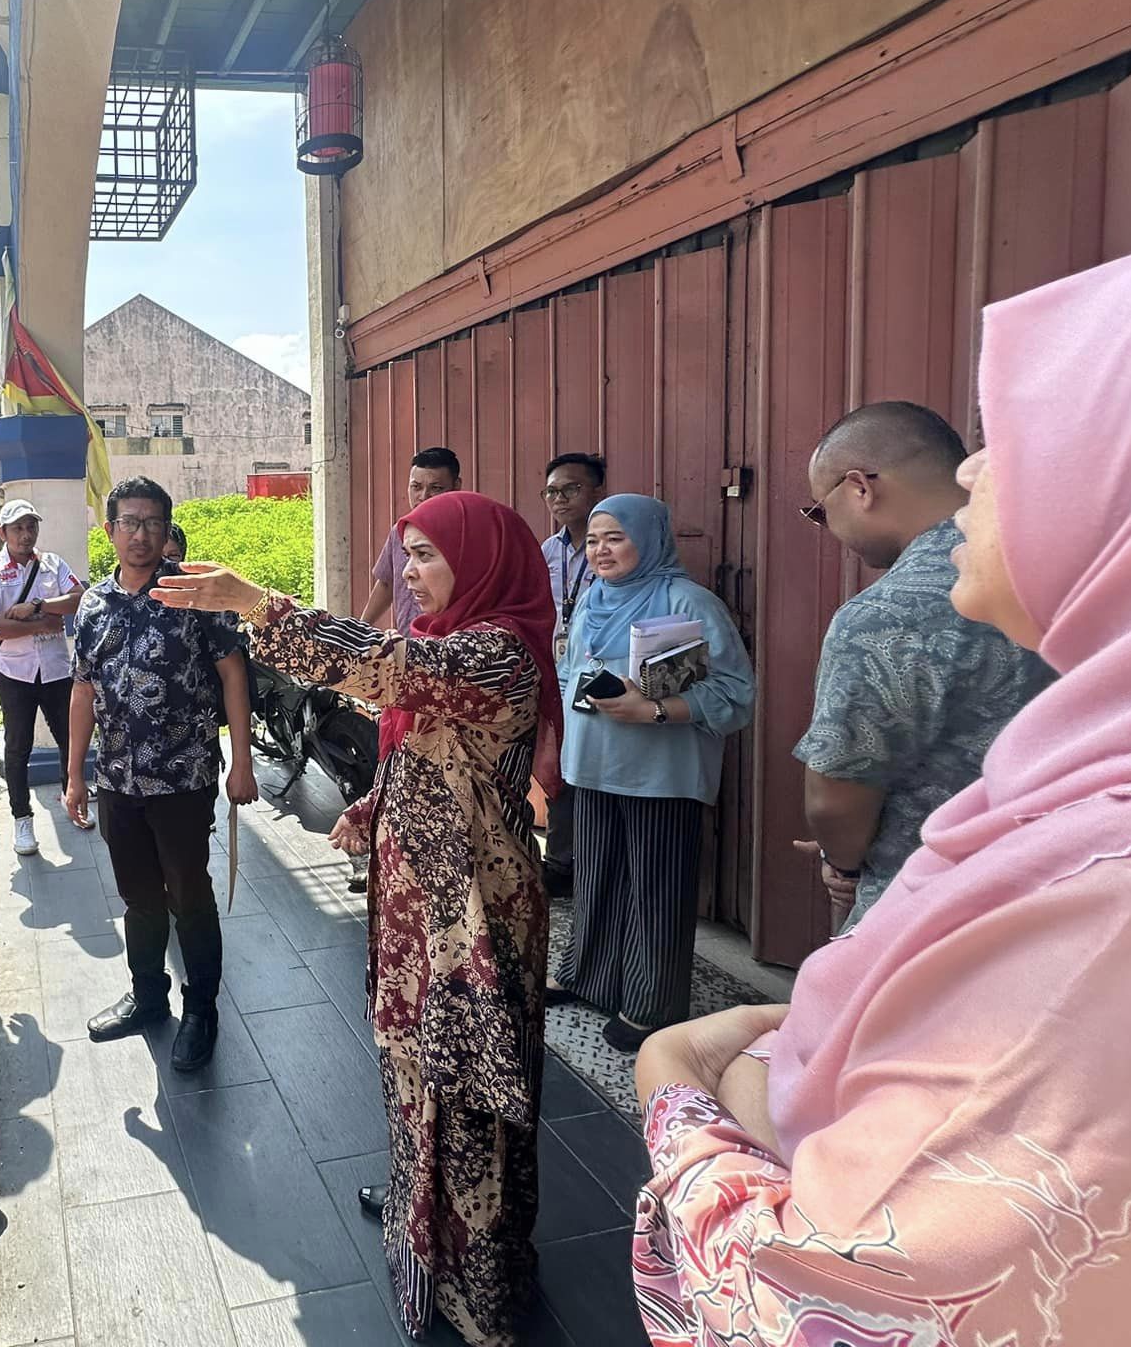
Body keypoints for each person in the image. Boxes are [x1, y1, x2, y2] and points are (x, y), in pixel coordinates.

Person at [632, 251, 1131, 1347]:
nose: (970, 479)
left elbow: (860, 1269)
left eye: (1002, 443)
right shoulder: (1069, 771)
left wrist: (673, 1085)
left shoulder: (1089, 899)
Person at [156, 492, 557, 1347]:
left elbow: (381, 667)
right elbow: (434, 749)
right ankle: (421, 1214)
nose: (407, 575)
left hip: (472, 918)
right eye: (404, 556)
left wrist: (258, 606)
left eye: (424, 557)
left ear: (482, 559)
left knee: (468, 1085)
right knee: (414, 1065)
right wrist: (376, 806)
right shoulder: (456, 642)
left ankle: (479, 1286)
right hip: (421, 901)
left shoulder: (499, 654)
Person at [794, 401, 1052, 930]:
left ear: (860, 488)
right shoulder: (1073, 564)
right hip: (1070, 885)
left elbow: (835, 798)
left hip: (925, 907)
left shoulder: (883, 616)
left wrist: (839, 860)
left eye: (820, 511)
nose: (827, 528)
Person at [548, 494, 754, 1052]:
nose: (601, 550)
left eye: (615, 537)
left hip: (660, 774)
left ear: (651, 537)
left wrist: (655, 709)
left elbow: (737, 694)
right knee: (596, 881)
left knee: (655, 891)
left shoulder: (688, 602)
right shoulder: (592, 598)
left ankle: (651, 1005)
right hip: (592, 767)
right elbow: (571, 670)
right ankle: (587, 978)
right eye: (593, 540)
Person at [65, 477, 256, 1071]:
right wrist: (75, 774)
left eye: (151, 523)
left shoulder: (192, 597)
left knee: (189, 895)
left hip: (183, 777)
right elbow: (82, 690)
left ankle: (202, 1009)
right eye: (129, 522)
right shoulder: (94, 604)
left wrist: (243, 761)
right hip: (119, 780)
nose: (140, 534)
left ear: (166, 529)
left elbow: (232, 677)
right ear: (111, 530)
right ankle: (149, 995)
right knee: (138, 897)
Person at [0, 498, 89, 856]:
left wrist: (36, 607)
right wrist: (46, 621)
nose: (26, 535)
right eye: (18, 528)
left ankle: (71, 798)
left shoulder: (53, 564)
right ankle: (21, 818)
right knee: (17, 748)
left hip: (57, 669)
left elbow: (78, 600)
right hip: (16, 674)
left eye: (31, 527)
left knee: (69, 739)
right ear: (3, 533)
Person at [537, 452, 605, 897]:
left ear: (597, 491)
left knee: (593, 764)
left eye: (571, 489)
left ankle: (595, 863)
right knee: (558, 762)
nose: (560, 499)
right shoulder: (549, 550)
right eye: (552, 492)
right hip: (555, 669)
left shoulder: (610, 546)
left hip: (596, 670)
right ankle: (560, 861)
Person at [359, 447, 462, 631]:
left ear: (456, 486)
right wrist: (360, 628)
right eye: (416, 487)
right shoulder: (400, 531)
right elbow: (386, 582)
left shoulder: (466, 534)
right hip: (406, 645)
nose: (423, 497)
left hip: (446, 645)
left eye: (436, 488)